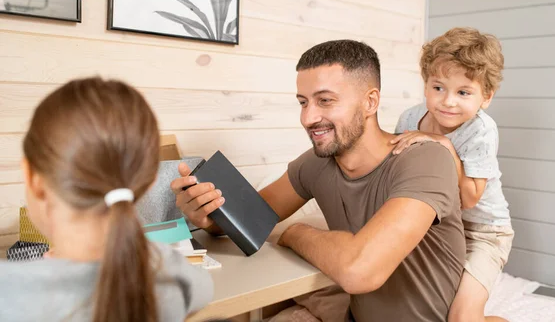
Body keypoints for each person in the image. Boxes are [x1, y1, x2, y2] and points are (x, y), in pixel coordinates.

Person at [172, 40, 466, 321]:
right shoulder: (317, 163)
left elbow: (359, 270)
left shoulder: (425, 160)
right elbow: (250, 219)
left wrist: (296, 233)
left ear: (370, 101)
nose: (308, 118)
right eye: (303, 102)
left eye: (325, 101)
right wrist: (207, 217)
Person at [0, 77, 213, 322]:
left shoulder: (10, 295)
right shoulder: (170, 271)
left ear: (33, 179)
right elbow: (204, 289)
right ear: (149, 179)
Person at [391, 27, 514, 322]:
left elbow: (470, 199)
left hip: (484, 233)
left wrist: (445, 145)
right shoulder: (410, 118)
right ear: (425, 85)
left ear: (485, 97)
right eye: (438, 88)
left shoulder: (480, 130)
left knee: (461, 318)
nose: (448, 101)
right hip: (439, 228)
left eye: (463, 92)